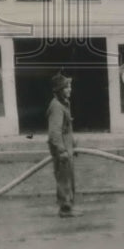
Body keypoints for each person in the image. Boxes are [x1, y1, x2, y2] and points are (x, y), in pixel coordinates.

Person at [47, 72, 76, 218]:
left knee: (68, 177)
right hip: (61, 148)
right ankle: (65, 209)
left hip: (66, 146)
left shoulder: (64, 103)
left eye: (70, 86)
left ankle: (69, 206)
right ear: (59, 90)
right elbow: (55, 132)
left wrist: (73, 143)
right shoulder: (57, 106)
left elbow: (67, 127)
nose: (70, 89)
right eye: (66, 87)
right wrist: (62, 150)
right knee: (64, 178)